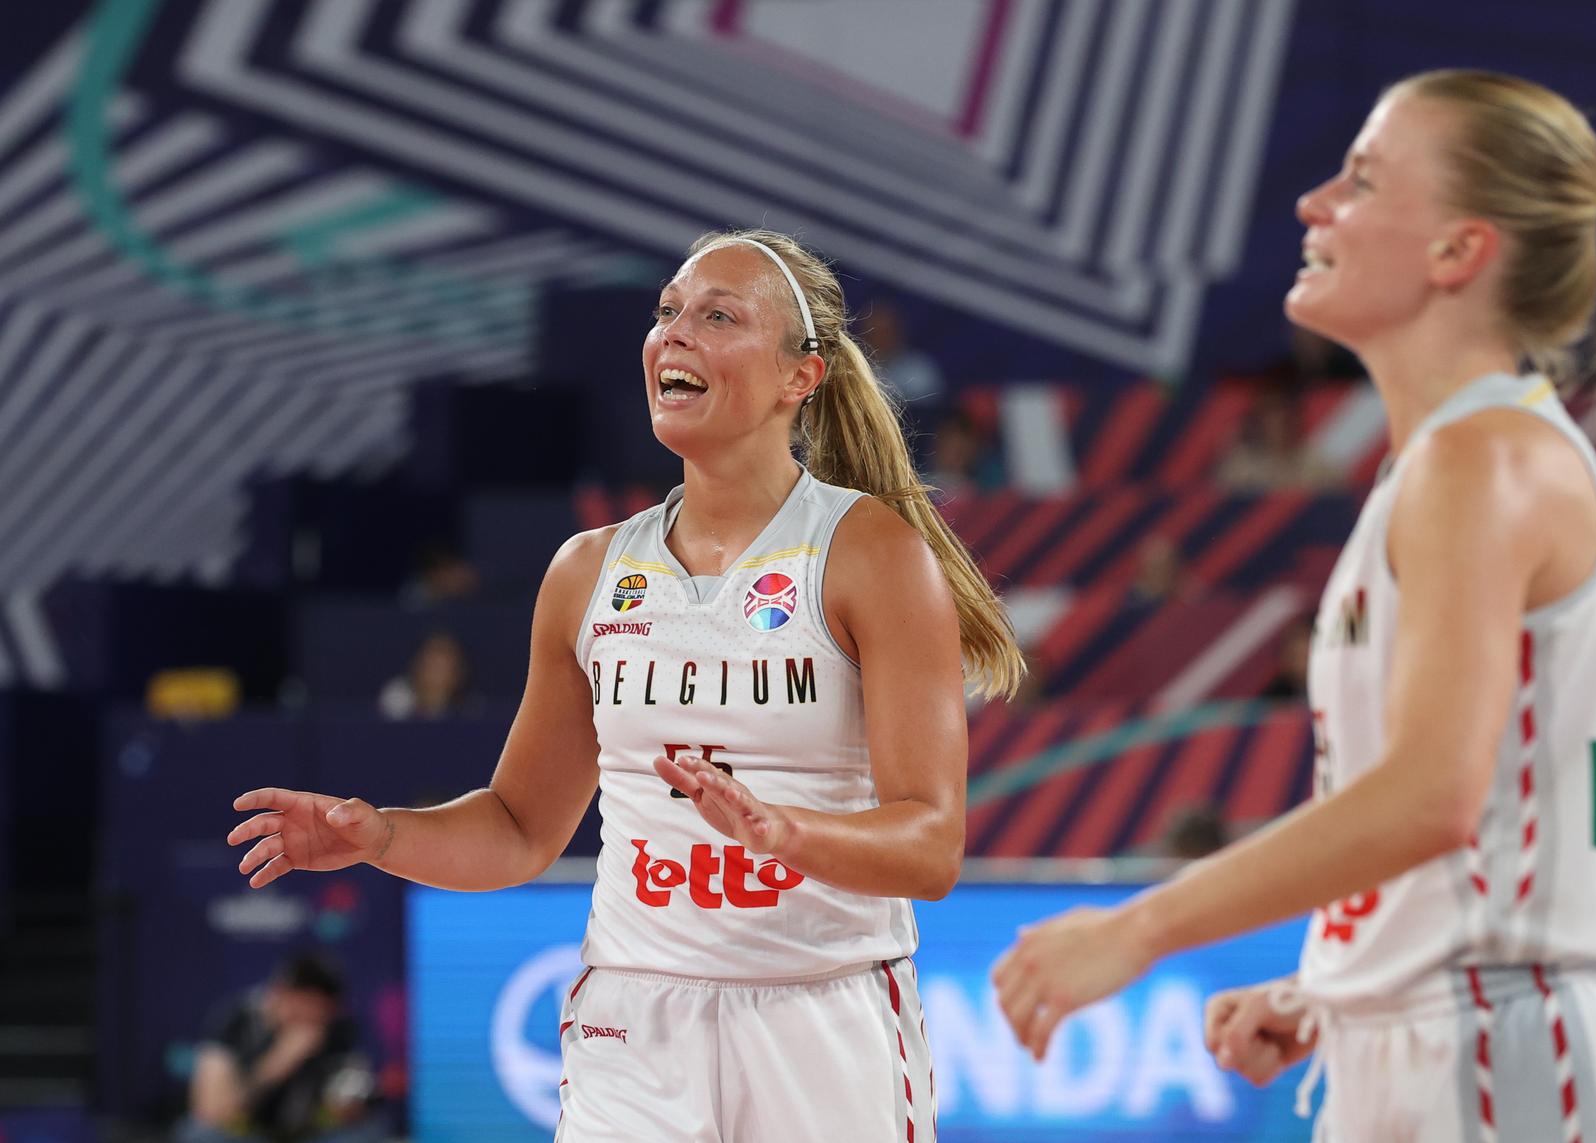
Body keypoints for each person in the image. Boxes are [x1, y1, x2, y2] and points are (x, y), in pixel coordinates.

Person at [992, 69, 1596, 1142]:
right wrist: (1341, 986)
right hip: (1460, 1038)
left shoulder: (1486, 461)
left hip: (1511, 1056)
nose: (1314, 204)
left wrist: (1138, 928)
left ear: (1459, 251)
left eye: (1360, 180)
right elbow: (1500, 811)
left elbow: (1431, 796)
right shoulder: (1449, 463)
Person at [228, 229, 1024, 1141]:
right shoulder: (588, 570)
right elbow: (522, 828)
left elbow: (931, 844)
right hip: (633, 1018)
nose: (674, 333)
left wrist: (784, 832)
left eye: (717, 316)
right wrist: (381, 835)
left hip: (822, 1009)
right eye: (666, 312)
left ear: (799, 376)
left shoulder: (872, 553)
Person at [176, 953, 382, 1143]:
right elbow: (211, 1110)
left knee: (368, 1131)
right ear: (281, 993)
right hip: (246, 1134)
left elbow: (349, 1101)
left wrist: (345, 1105)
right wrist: (278, 1063)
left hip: (307, 1134)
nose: (314, 1018)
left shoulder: (337, 1028)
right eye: (306, 1006)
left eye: (324, 1011)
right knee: (199, 1133)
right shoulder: (234, 1020)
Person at [375, 630, 476, 720]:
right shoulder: (395, 701)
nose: (434, 672)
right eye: (430, 663)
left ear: (458, 673)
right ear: (417, 665)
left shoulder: (470, 711)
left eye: (442, 666)